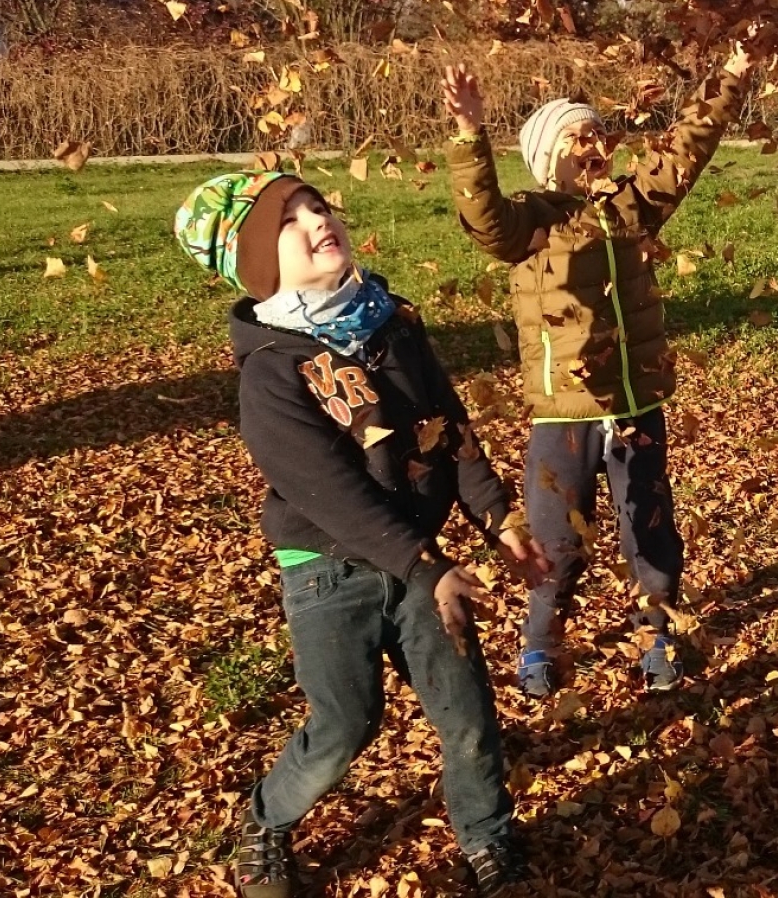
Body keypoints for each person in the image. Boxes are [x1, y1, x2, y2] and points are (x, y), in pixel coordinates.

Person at [173, 170, 549, 898]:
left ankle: (487, 837)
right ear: (256, 261)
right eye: (291, 218)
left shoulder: (393, 327)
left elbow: (449, 426)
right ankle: (268, 819)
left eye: (318, 204)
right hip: (327, 568)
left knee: (467, 712)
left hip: (418, 560)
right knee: (345, 725)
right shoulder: (272, 372)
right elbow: (331, 496)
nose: (319, 219)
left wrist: (496, 515)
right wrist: (423, 563)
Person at [440, 45, 753, 697]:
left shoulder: (628, 209)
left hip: (635, 407)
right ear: (545, 156)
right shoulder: (530, 222)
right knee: (556, 540)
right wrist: (470, 135)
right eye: (574, 136)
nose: (593, 144)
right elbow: (484, 219)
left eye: (597, 133)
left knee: (651, 527)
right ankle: (540, 643)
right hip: (565, 416)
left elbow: (686, 153)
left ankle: (658, 632)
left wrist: (733, 73)